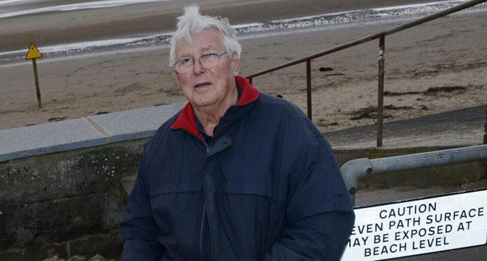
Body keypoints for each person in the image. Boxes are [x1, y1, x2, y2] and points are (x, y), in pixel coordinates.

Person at [120, 5, 355, 260]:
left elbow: (324, 222)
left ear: (234, 63)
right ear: (177, 76)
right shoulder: (162, 146)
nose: (198, 69)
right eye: (186, 60)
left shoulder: (287, 128)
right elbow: (140, 232)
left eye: (209, 55)